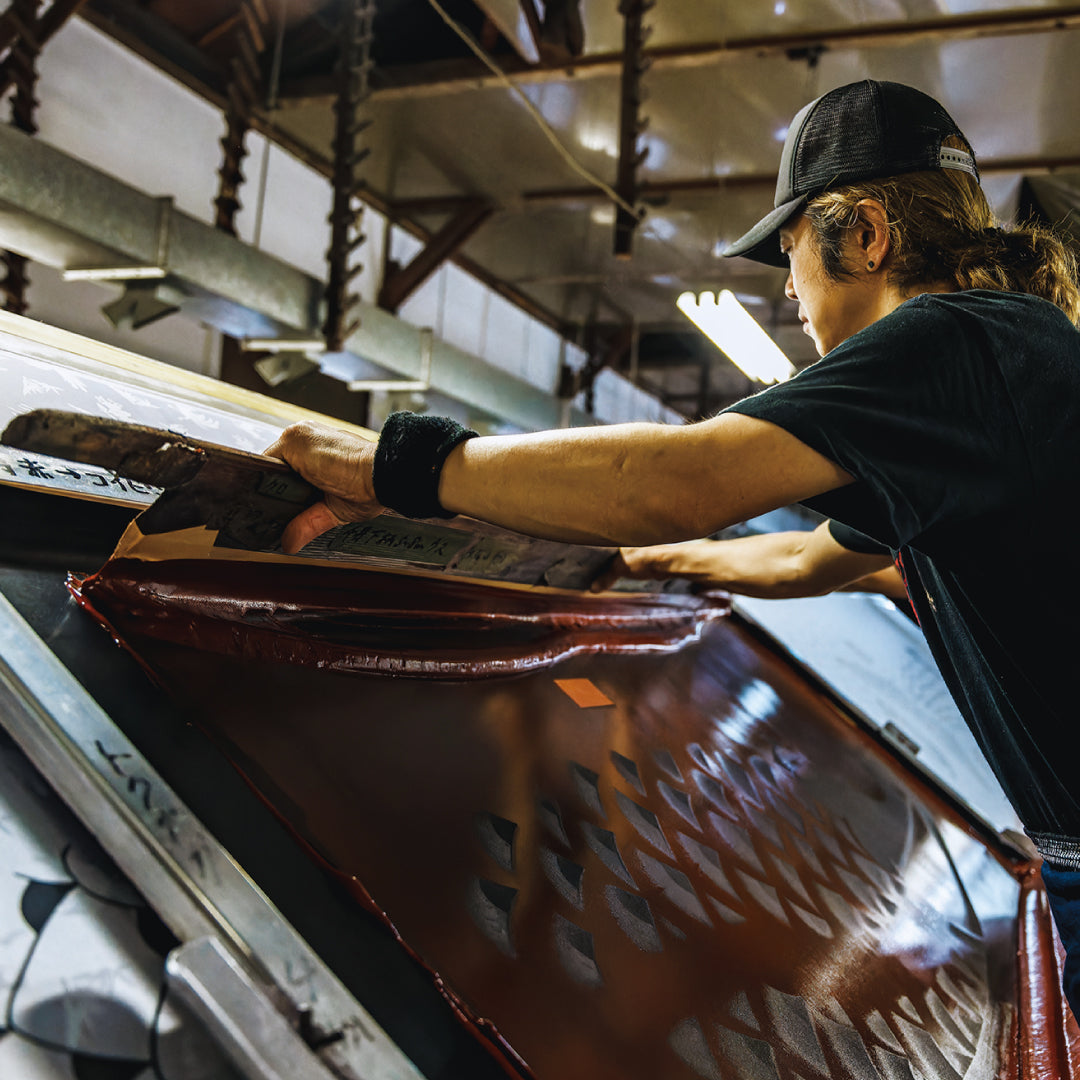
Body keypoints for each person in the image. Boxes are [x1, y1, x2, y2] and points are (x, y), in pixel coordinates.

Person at [264, 79, 1080, 1015]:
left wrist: (397, 467)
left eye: (790, 255)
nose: (789, 291)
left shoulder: (954, 344)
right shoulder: (994, 379)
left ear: (864, 232)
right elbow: (805, 559)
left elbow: (675, 480)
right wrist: (653, 566)